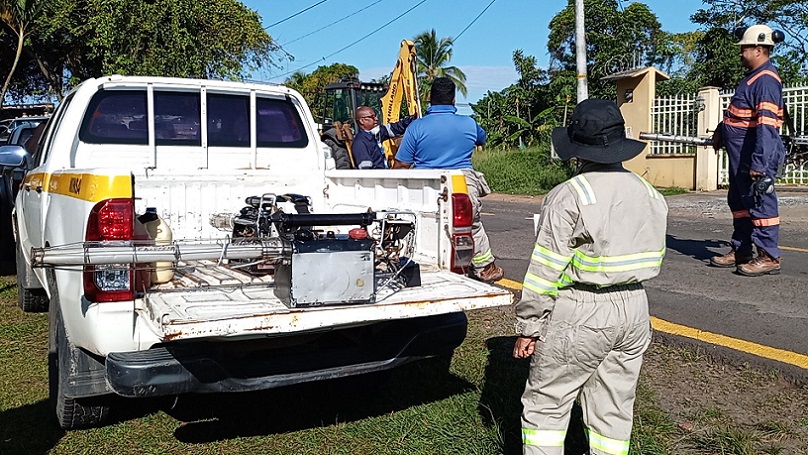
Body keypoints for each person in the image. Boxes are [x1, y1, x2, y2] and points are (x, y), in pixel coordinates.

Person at [513, 99, 668, 455]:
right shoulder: (649, 193)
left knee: (547, 406)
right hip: (634, 309)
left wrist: (530, 326)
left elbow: (545, 270)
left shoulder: (570, 195)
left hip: (582, 309)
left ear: (577, 148)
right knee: (613, 410)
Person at [392, 77, 503, 282]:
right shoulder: (469, 123)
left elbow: (402, 165)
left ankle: (422, 263)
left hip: (426, 185)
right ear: (453, 99)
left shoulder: (416, 127)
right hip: (462, 182)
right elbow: (482, 138)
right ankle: (486, 268)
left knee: (422, 224)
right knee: (472, 224)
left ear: (430, 99)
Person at [710, 24, 786, 276]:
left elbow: (766, 126)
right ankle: (742, 250)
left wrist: (760, 162)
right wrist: (722, 129)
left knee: (760, 204)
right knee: (740, 202)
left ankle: (769, 256)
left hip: (754, 156)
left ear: (759, 49)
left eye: (744, 48)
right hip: (740, 156)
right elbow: (739, 114)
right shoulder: (752, 79)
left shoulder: (766, 80)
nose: (741, 53)